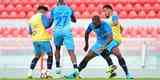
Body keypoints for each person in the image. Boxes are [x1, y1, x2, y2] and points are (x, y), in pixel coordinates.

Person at [103, 4, 134, 79]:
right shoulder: (111, 18)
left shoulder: (114, 15)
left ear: (109, 9)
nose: (104, 13)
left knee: (104, 52)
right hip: (114, 39)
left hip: (114, 39)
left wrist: (105, 26)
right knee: (117, 55)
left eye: (105, 11)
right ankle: (125, 74)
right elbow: (121, 28)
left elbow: (115, 23)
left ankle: (112, 68)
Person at [50, 0, 78, 76]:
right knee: (71, 51)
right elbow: (74, 20)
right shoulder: (69, 8)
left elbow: (50, 22)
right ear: (64, 2)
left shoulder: (53, 9)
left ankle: (58, 67)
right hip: (67, 31)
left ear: (57, 2)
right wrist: (70, 18)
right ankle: (75, 68)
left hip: (57, 31)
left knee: (57, 48)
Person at [27, 5, 53, 78]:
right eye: (46, 12)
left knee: (37, 56)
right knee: (50, 54)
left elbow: (30, 31)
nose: (46, 14)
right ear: (43, 11)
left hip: (35, 40)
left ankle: (29, 73)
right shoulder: (42, 16)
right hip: (43, 39)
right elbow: (47, 25)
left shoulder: (32, 18)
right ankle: (48, 73)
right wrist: (52, 19)